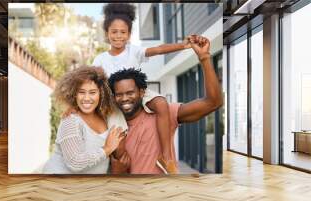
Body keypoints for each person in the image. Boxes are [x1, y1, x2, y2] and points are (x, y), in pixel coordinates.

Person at [92, 3, 193, 174]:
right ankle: (124, 173)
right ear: (107, 34)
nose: (118, 36)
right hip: (114, 100)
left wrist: (183, 45)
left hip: (137, 94)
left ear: (129, 34)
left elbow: (159, 49)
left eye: (123, 32)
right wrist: (74, 107)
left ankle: (166, 157)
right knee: (119, 137)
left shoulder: (135, 51)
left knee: (161, 103)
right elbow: (89, 83)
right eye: (114, 32)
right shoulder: (100, 59)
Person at [108, 36, 223, 174]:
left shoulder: (162, 114)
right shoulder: (111, 126)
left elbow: (213, 103)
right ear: (113, 97)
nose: (124, 98)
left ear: (142, 92)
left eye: (130, 93)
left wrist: (204, 58)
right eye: (119, 94)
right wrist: (117, 170)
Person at [43, 66, 124, 174]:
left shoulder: (104, 116)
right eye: (81, 92)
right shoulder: (71, 120)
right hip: (59, 185)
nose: (86, 98)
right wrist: (107, 149)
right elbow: (74, 162)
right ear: (74, 94)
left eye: (92, 92)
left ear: (101, 93)